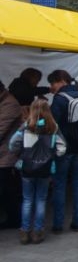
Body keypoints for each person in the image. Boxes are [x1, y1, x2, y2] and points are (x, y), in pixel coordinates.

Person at [9, 99, 66, 244]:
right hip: (45, 168)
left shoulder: (26, 127)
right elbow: (62, 148)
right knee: (41, 199)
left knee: (27, 199)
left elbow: (12, 145)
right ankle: (37, 232)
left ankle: (25, 232)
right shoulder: (53, 128)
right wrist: (52, 156)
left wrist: (20, 153)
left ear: (31, 110)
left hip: (27, 168)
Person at [47, 69, 78, 234]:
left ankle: (58, 224)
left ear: (61, 81)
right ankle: (77, 222)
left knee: (60, 184)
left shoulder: (59, 99)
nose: (52, 87)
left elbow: (52, 124)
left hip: (64, 148)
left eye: (53, 83)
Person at [0, 79, 24, 230]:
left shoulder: (10, 104)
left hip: (5, 154)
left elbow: (1, 130)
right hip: (3, 152)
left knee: (6, 188)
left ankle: (14, 219)